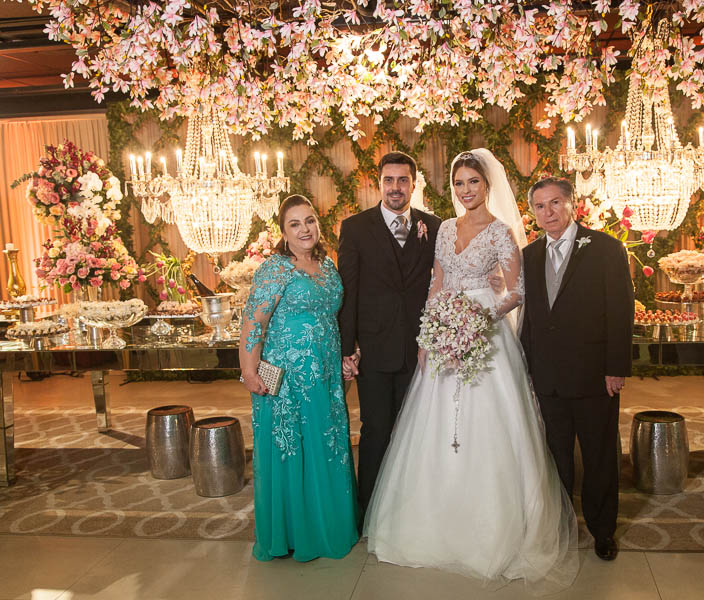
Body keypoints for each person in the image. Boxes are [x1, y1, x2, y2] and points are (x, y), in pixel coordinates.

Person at [363, 149, 579, 593]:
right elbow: (437, 282)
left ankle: (495, 528)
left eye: (473, 182)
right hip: (444, 329)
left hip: (486, 331)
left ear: (486, 185)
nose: (465, 190)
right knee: (436, 425)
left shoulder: (500, 231)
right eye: (459, 183)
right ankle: (433, 522)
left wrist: (479, 319)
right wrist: (428, 335)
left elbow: (516, 291)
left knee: (491, 425)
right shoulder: (445, 228)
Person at [519, 177, 634, 562]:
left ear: (572, 204)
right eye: (540, 206)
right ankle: (562, 525)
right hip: (548, 377)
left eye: (555, 203)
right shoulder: (529, 255)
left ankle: (603, 531)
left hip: (594, 375)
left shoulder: (605, 248)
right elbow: (530, 319)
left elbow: (620, 311)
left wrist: (616, 367)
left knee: (599, 456)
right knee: (556, 457)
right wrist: (527, 367)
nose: (548, 212)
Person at [240, 194, 358, 562]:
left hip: (325, 375)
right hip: (287, 379)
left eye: (309, 221)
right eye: (295, 224)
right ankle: (293, 534)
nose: (304, 229)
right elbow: (253, 322)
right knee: (292, 451)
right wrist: (249, 371)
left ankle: (327, 526)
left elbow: (334, 318)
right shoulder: (275, 269)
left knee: (327, 445)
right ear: (283, 232)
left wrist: (347, 355)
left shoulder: (327, 264)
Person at [337, 152, 442, 516]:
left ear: (414, 184)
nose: (396, 187)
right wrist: (347, 348)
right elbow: (348, 291)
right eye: (389, 180)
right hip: (374, 351)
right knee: (376, 430)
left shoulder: (434, 226)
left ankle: (411, 510)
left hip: (420, 351)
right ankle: (369, 511)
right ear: (378, 183)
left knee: (417, 432)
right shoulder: (355, 228)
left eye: (403, 180)